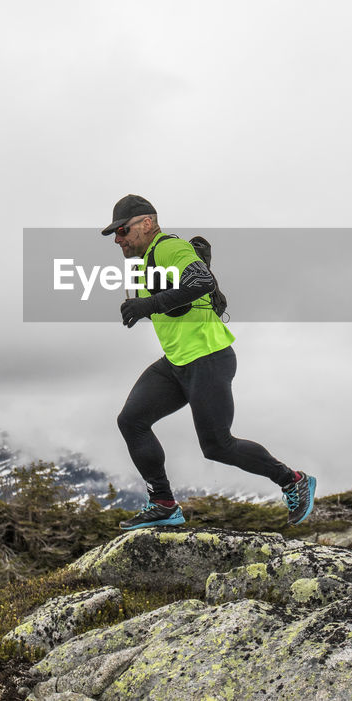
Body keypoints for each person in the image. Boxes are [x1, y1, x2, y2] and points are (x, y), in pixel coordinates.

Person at [101, 194, 317, 531]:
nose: (118, 239)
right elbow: (177, 302)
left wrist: (148, 306)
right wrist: (144, 307)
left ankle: (293, 480)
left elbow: (202, 282)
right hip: (177, 363)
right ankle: (163, 503)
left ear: (147, 223)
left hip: (209, 358)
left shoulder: (169, 248)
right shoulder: (146, 261)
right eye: (115, 234)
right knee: (131, 420)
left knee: (217, 445)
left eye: (123, 230)